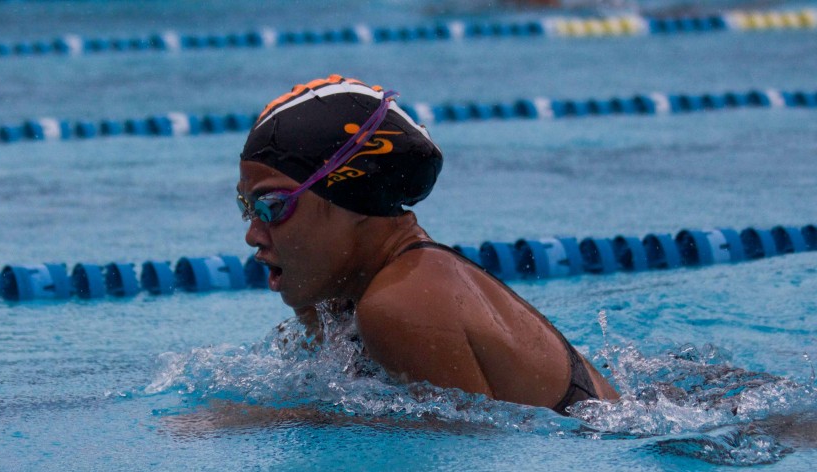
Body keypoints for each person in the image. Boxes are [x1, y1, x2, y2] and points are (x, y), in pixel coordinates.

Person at [237, 75, 618, 414]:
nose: (252, 234)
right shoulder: (348, 298)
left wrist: (270, 420)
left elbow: (470, 455)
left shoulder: (400, 302)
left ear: (350, 197)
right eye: (247, 208)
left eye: (272, 207)